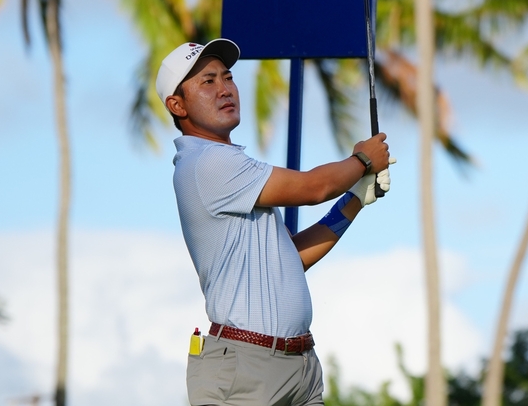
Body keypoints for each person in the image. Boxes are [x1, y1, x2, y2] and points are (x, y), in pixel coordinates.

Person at [156, 38, 394, 406]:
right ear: (177, 105)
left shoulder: (231, 168)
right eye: (207, 82)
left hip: (300, 369)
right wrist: (363, 160)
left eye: (228, 77)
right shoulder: (207, 164)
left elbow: (292, 259)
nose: (225, 89)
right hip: (244, 372)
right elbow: (315, 187)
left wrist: (356, 199)